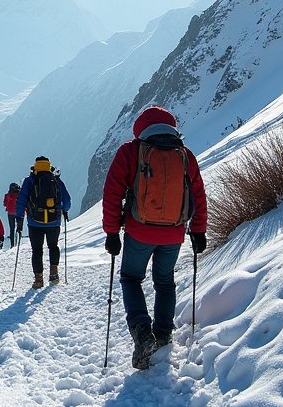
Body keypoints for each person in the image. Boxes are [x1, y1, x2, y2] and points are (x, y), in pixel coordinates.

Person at [101, 106, 208, 370]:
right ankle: (162, 334)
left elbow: (112, 192)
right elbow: (198, 195)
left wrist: (112, 232)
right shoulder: (184, 155)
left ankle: (140, 330)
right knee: (165, 281)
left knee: (131, 278)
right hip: (174, 232)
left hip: (139, 230)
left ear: (141, 128)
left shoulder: (131, 151)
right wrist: (198, 230)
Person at [15, 156, 71, 288]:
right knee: (53, 246)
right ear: (49, 166)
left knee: (37, 250)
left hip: (34, 222)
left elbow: (21, 201)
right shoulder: (56, 180)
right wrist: (63, 210)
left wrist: (19, 220)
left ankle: (38, 279)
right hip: (54, 221)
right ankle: (54, 274)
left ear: (35, 166)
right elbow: (67, 201)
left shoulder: (30, 181)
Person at [3, 182, 20, 247]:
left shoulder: (7, 195)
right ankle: (18, 242)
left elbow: (5, 203)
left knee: (12, 228)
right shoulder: (19, 194)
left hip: (10, 213)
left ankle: (12, 244)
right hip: (18, 212)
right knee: (19, 227)